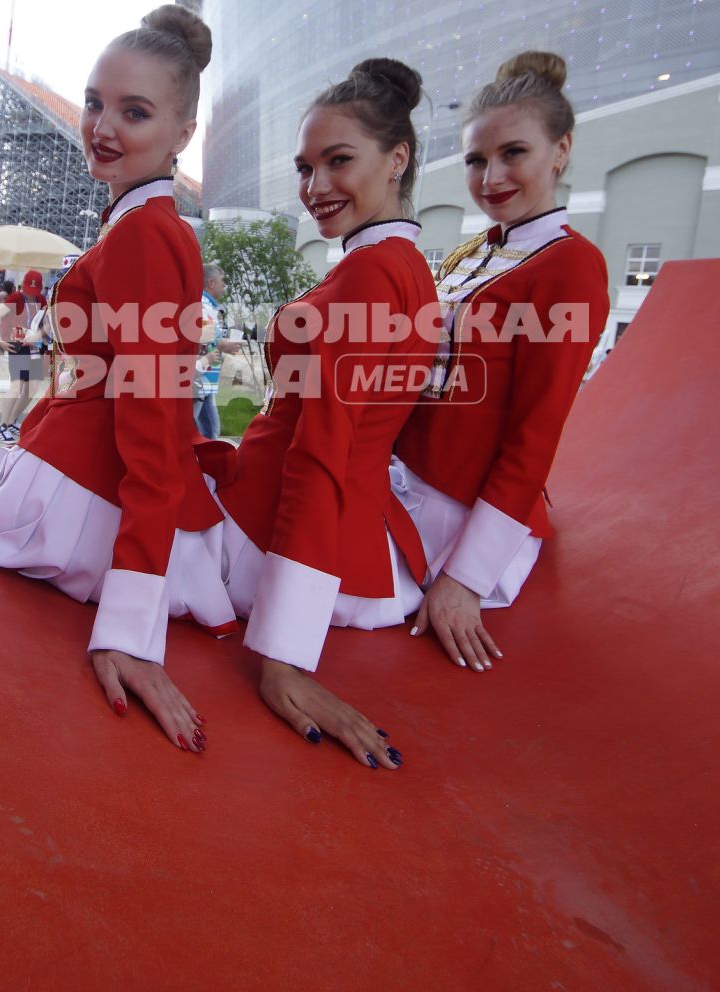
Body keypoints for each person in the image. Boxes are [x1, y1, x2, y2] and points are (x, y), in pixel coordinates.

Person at [0, 5, 229, 753]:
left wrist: (130, 627)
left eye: (134, 112)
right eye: (96, 103)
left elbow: (151, 419)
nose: (102, 127)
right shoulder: (132, 221)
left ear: (182, 136)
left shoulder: (145, 232)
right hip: (77, 475)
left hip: (89, 497)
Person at [210, 59, 439, 771]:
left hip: (268, 531)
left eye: (338, 162)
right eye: (305, 168)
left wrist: (284, 654)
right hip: (321, 529)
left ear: (396, 159)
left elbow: (324, 450)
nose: (315, 188)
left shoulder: (372, 273)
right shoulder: (401, 266)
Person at [392, 50, 609, 672]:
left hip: (455, 519)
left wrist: (466, 577)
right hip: (396, 485)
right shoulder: (469, 256)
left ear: (560, 151)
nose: (491, 177)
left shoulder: (571, 265)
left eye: (514, 153)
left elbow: (536, 432)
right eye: (476, 160)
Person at [0, 271, 46, 444]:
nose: (31, 294)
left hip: (36, 348)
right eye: (29, 289)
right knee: (16, 385)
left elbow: (48, 325)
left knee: (33, 388)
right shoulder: (15, 298)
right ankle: (2, 426)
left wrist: (37, 335)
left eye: (34, 290)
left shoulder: (41, 300)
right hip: (17, 346)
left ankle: (11, 420)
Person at [193, 263, 239, 440]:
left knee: (204, 429)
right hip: (200, 378)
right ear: (211, 283)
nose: (224, 286)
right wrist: (223, 345)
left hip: (205, 378)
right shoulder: (204, 306)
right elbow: (202, 336)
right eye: (222, 282)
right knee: (209, 431)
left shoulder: (208, 305)